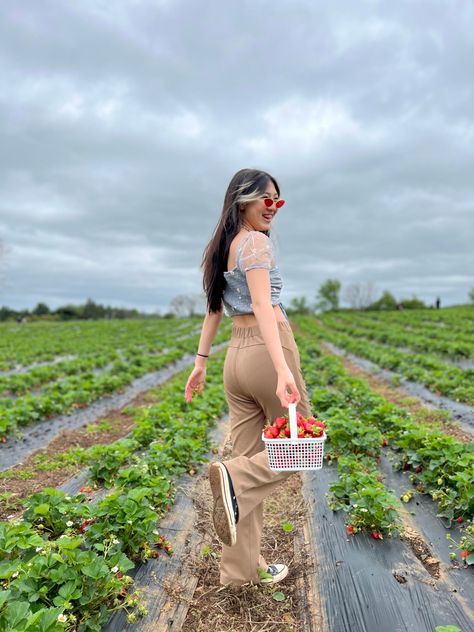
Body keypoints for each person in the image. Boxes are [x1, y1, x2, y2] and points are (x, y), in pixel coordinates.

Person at [184, 168, 312, 587]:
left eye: (279, 201)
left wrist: (200, 362)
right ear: (243, 201)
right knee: (298, 448)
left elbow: (214, 310)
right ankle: (236, 481)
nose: (273, 208)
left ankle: (240, 574)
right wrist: (281, 371)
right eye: (266, 200)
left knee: (246, 460)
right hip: (264, 351)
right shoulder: (255, 243)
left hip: (234, 362)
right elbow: (261, 305)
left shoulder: (222, 247)